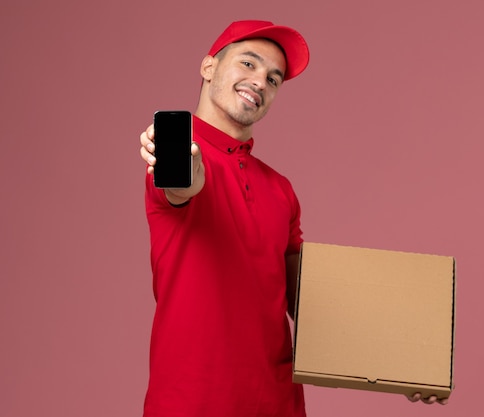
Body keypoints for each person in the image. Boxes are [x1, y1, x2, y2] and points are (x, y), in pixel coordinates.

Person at [139, 20, 447, 416]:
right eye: (248, 64)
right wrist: (183, 167)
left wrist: (406, 362)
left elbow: (309, 301)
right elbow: (181, 187)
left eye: (273, 78)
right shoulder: (179, 156)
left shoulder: (280, 189)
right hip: (191, 402)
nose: (260, 82)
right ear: (208, 67)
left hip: (277, 403)